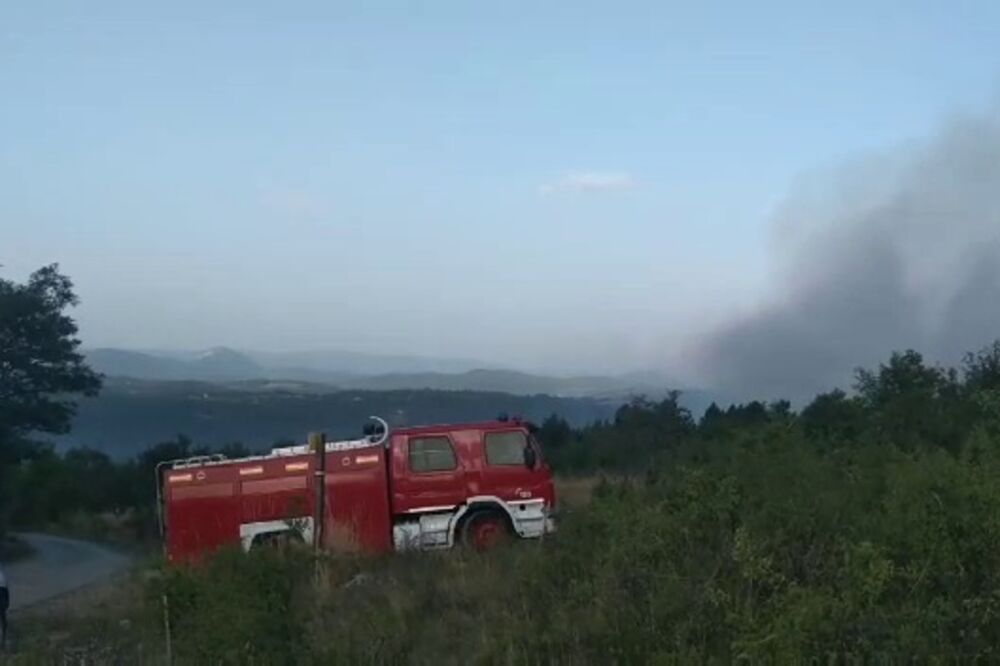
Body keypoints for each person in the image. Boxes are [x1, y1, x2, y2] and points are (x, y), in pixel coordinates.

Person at [0, 562, 7, 650]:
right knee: (3, 622)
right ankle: (3, 641)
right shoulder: (2, 575)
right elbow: (6, 592)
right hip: (2, 600)